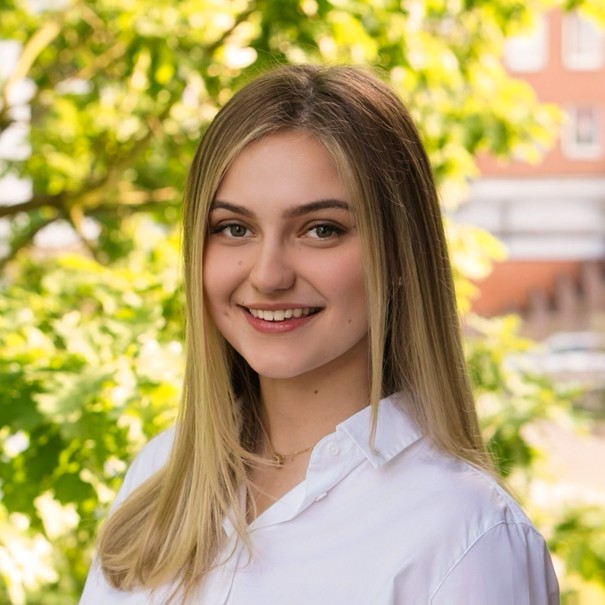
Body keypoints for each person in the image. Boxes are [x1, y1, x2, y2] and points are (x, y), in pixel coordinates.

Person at [80, 64, 559, 604]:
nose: (268, 275)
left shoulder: (466, 536)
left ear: (398, 252)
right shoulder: (161, 475)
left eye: (320, 229)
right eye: (234, 228)